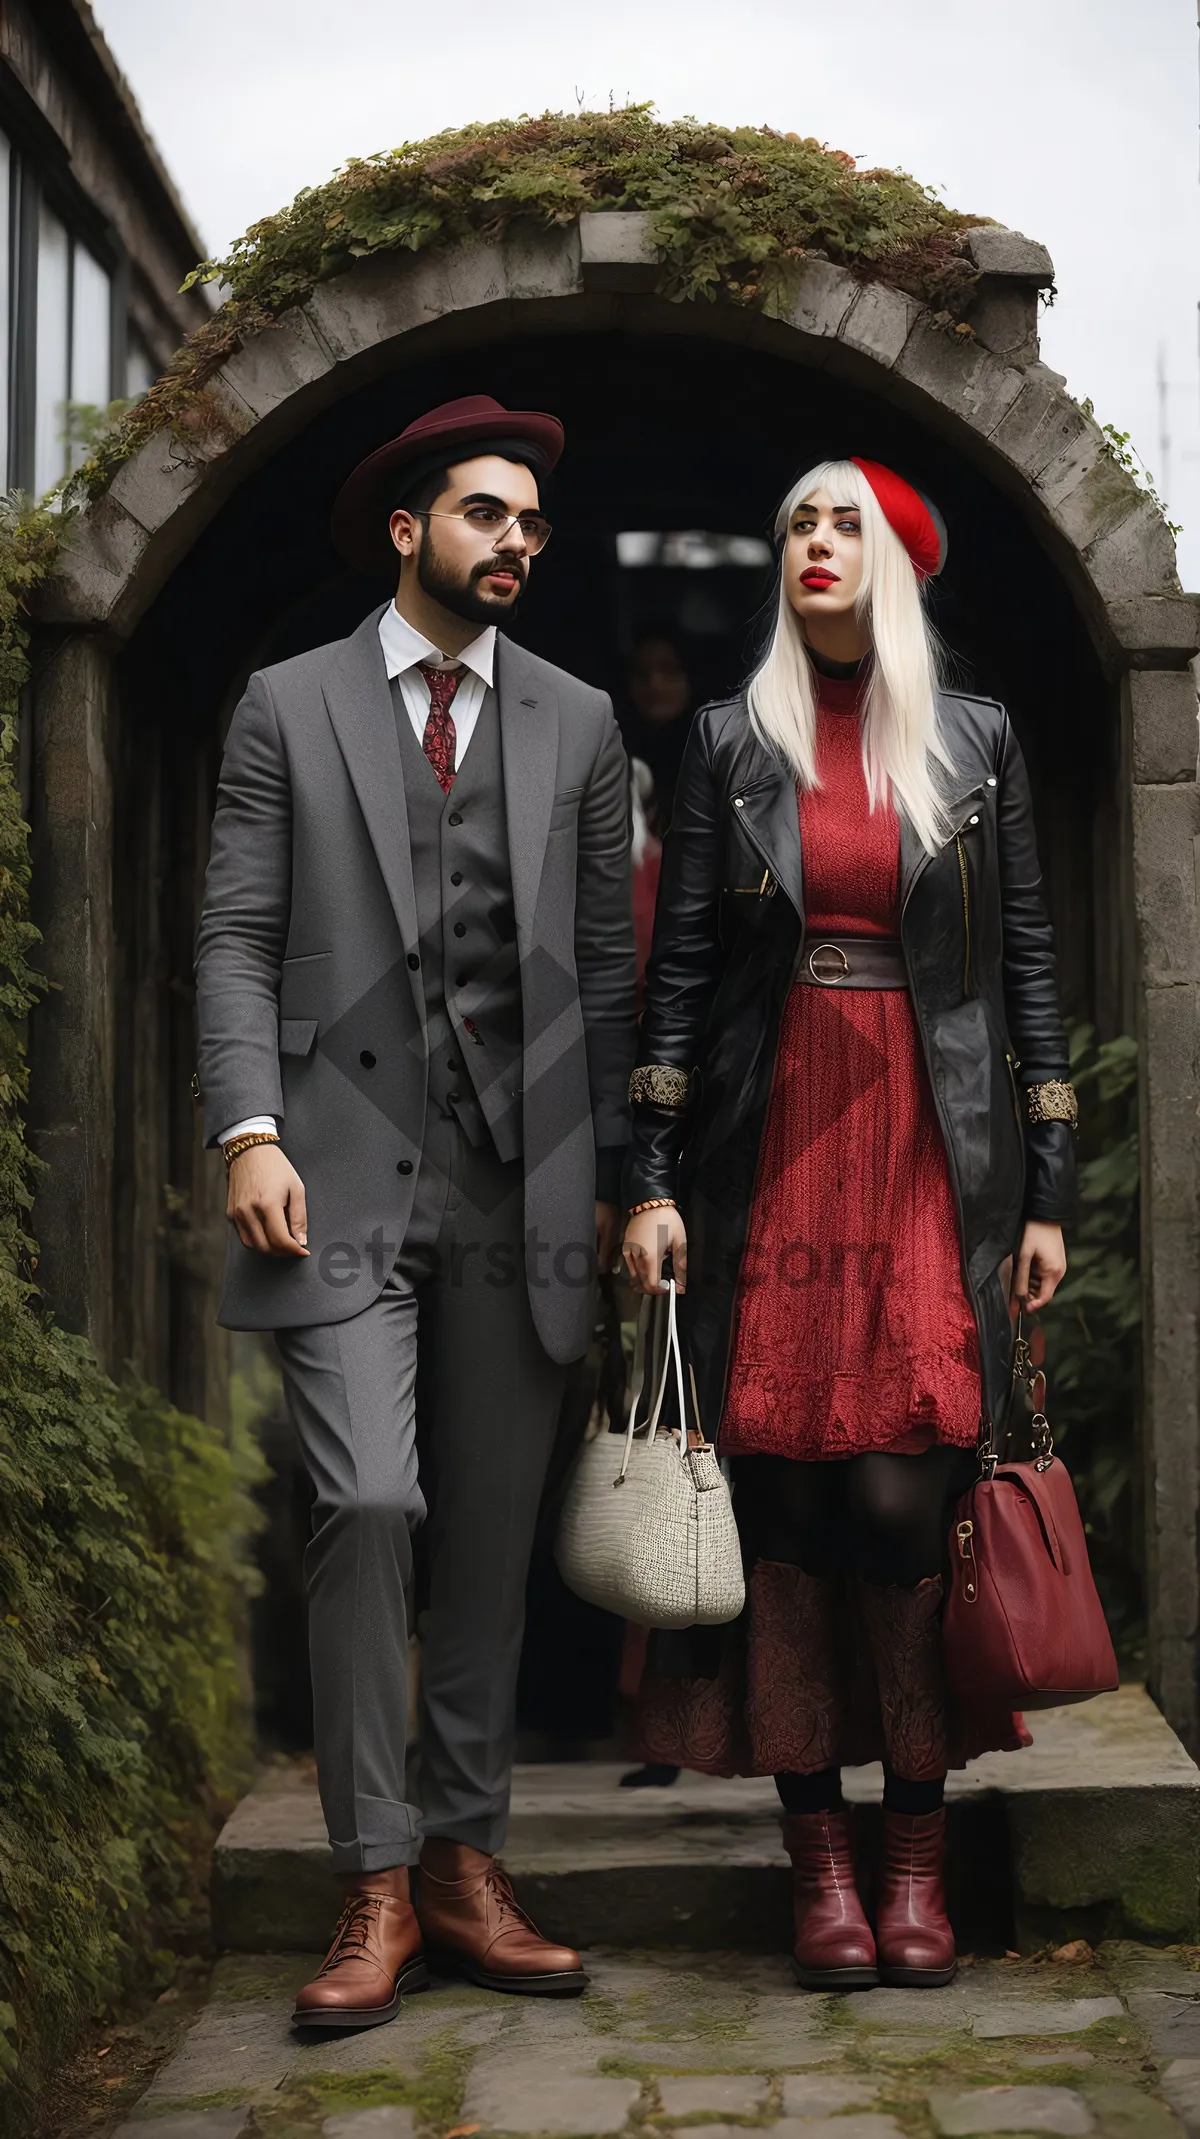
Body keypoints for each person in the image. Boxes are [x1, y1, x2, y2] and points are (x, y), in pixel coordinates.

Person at [195, 394, 638, 2031]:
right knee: (371, 1499)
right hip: (335, 1167)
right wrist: (247, 1125)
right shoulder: (283, 706)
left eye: (531, 519)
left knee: (488, 1553)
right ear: (407, 527)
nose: (516, 538)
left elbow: (603, 971)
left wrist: (628, 1182)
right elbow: (237, 937)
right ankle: (373, 1873)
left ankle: (465, 1860)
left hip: (525, 1177)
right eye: (485, 513)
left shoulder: (580, 723)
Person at [620, 458, 1075, 1992]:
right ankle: (823, 1867)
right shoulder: (728, 741)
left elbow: (1026, 969)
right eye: (796, 525)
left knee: (903, 1503)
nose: (814, 545)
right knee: (792, 1516)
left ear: (892, 560)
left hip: (932, 1152)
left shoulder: (974, 737)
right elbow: (677, 974)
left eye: (842, 526)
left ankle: (918, 1853)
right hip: (772, 1147)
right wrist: (655, 1174)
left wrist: (1049, 1190)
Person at [619, 630, 696, 828]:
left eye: (669, 670)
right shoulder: (613, 750)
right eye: (640, 673)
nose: (654, 683)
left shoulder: (714, 755)